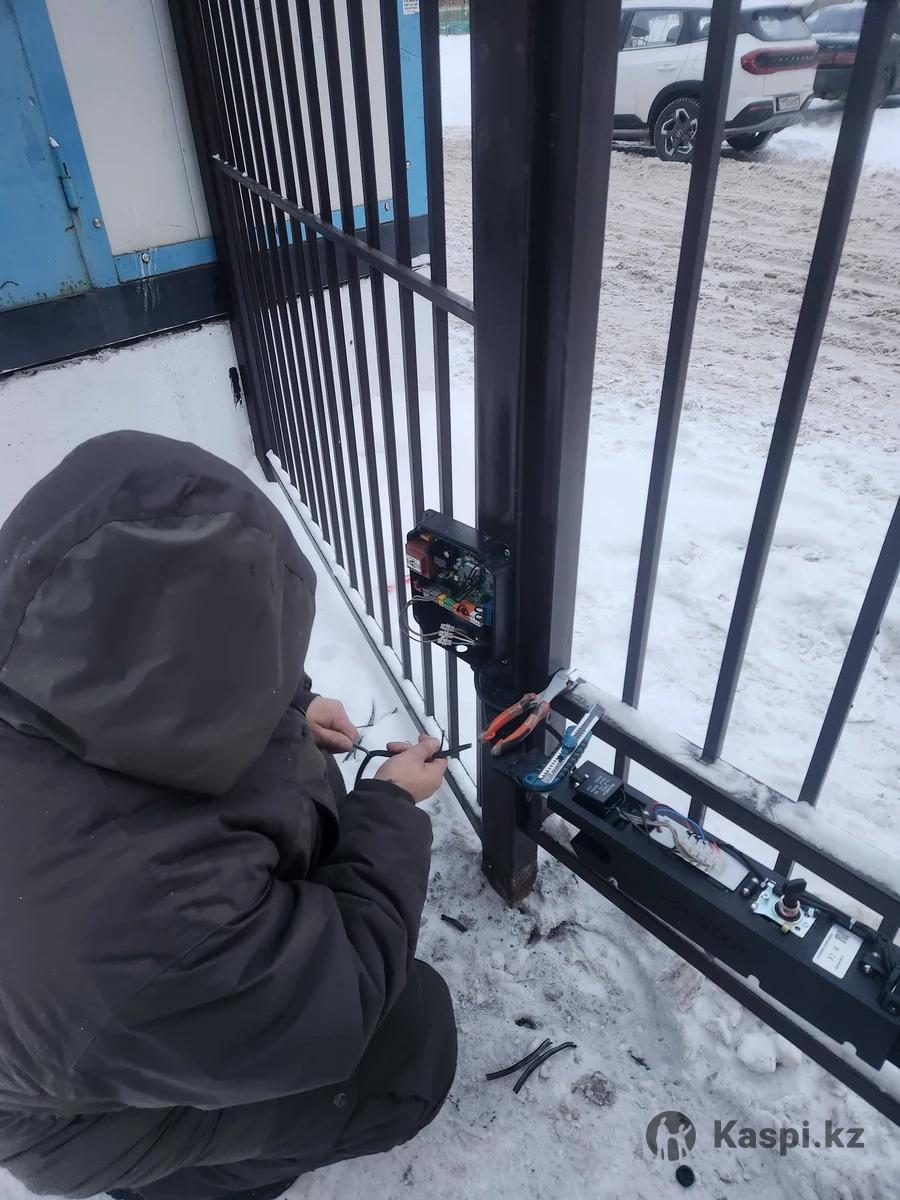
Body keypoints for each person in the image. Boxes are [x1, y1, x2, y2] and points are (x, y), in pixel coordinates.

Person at [0, 431, 456, 1200]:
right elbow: (334, 1003)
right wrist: (389, 806)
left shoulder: (37, 661)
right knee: (412, 1043)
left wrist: (290, 701)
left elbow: (132, 647)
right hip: (70, 1115)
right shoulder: (155, 922)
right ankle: (185, 1182)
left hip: (84, 1007)